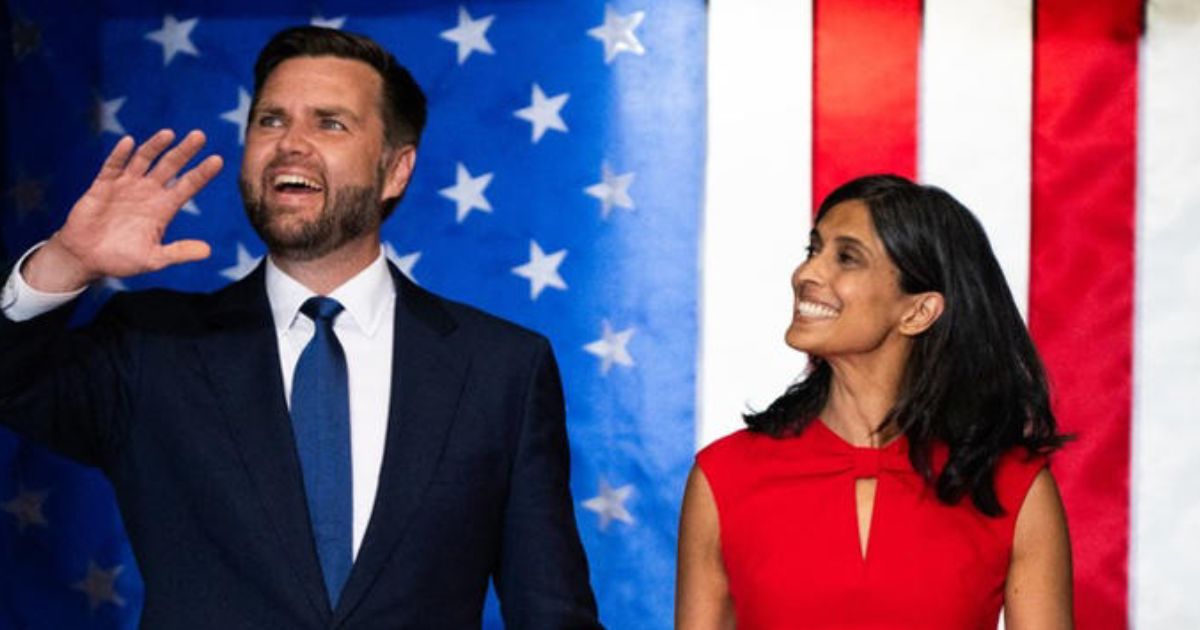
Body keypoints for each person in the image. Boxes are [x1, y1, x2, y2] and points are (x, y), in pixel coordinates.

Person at [0, 26, 601, 629]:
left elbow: (552, 612)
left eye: (330, 123)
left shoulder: (501, 369)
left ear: (395, 170)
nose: (291, 144)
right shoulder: (152, 345)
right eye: (270, 120)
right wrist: (65, 263)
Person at [675, 175, 1073, 629]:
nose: (806, 274)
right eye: (813, 250)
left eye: (846, 257)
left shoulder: (1015, 488)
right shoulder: (723, 476)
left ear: (918, 312)